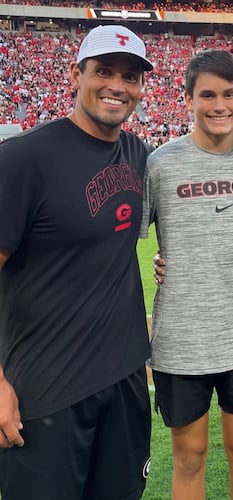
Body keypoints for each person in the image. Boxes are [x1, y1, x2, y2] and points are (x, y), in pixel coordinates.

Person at [0, 25, 154, 499]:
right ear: (75, 74)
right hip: (45, 390)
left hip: (124, 378)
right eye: (103, 71)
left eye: (130, 77)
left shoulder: (140, 155)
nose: (116, 86)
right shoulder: (23, 158)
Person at [141, 49, 233, 499]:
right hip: (180, 341)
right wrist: (169, 263)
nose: (219, 105)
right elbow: (122, 240)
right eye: (207, 95)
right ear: (187, 100)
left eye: (228, 94)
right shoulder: (159, 164)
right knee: (189, 458)